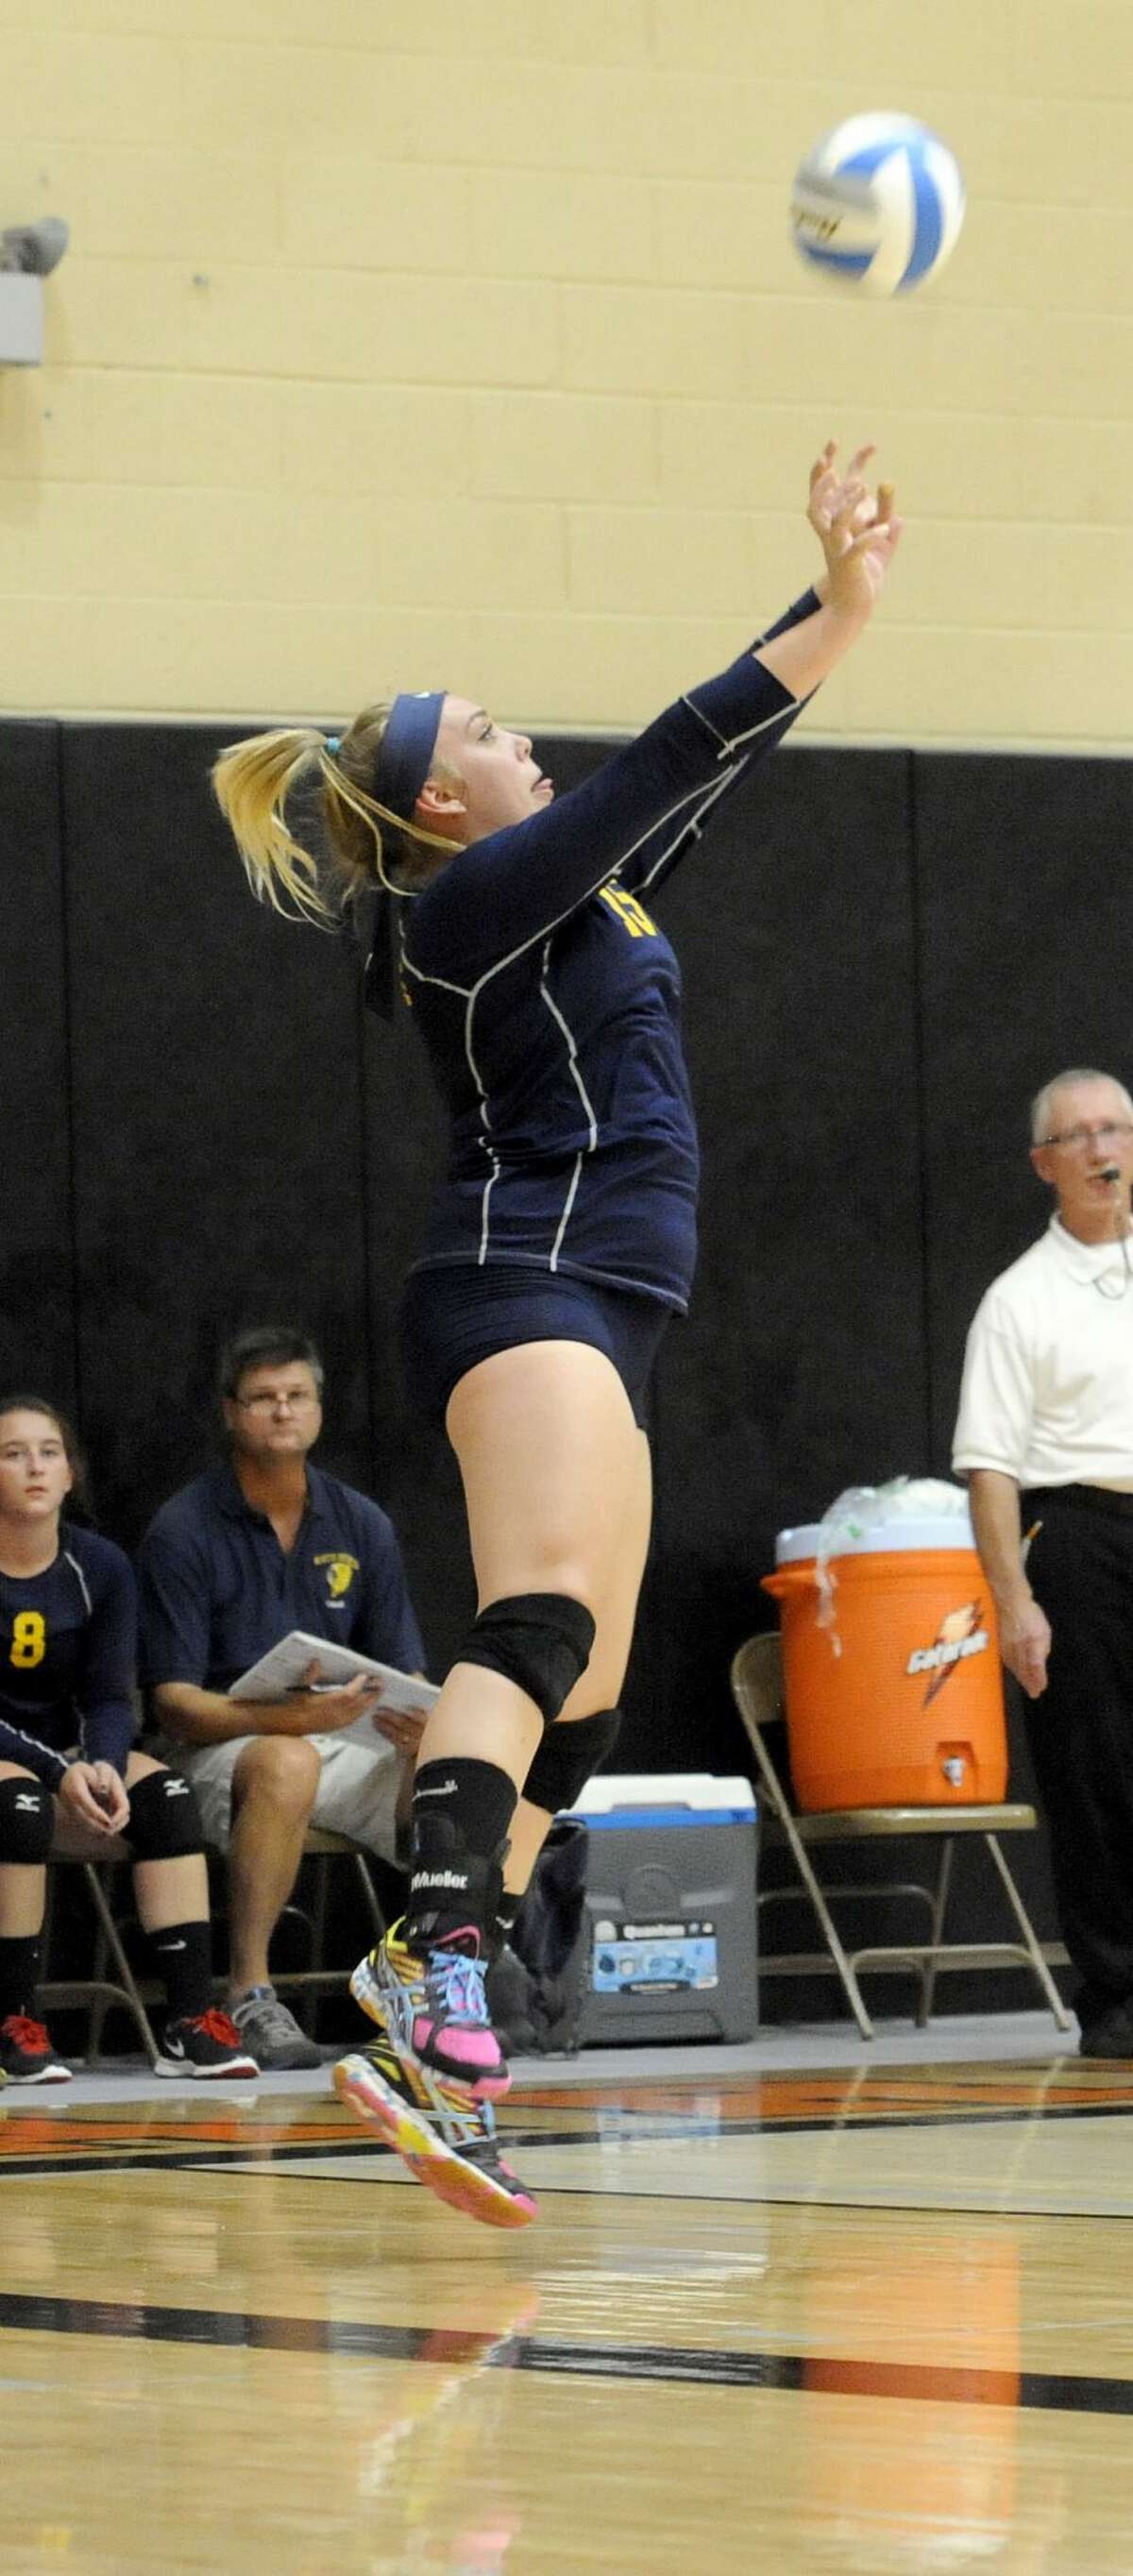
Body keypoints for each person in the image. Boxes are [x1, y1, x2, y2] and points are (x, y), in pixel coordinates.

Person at [211, 440, 902, 2220]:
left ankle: (425, 1971)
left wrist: (832, 612)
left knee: (581, 1692)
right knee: (538, 1621)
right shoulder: (467, 905)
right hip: (529, 1281)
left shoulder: (568, 892)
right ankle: (437, 1997)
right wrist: (832, 611)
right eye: (491, 734)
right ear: (446, 808)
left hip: (608, 1301)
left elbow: (703, 777)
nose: (526, 742)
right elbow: (679, 749)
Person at [137, 1326, 429, 2070]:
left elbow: (405, 1670)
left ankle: (453, 1976)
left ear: (319, 1409)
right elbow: (172, 1703)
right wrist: (286, 1719)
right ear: (232, 1413)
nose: (282, 1412)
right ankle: (251, 1994)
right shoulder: (184, 1528)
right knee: (285, 1761)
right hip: (212, 1757)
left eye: (297, 1396)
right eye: (263, 1399)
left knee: (461, 1756)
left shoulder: (361, 1522)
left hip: (341, 1741)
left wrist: (417, 1725)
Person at [952, 1066, 1133, 2059]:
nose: (1105, 1150)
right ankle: (1117, 1997)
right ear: (1046, 1164)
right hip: (1078, 1540)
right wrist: (1012, 1599)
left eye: (1117, 1129)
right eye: (1081, 1137)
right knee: (1095, 1775)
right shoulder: (1019, 1300)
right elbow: (991, 1465)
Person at [0, 1396, 258, 2081]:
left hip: (65, 1759)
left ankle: (187, 2020)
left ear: (70, 1473)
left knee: (167, 1797)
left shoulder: (101, 1566)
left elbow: (112, 1696)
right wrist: (60, 1773)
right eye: (13, 1452)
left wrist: (107, 1767)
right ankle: (14, 2021)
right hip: (22, 1768)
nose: (33, 1466)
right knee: (17, 1805)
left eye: (48, 1452)